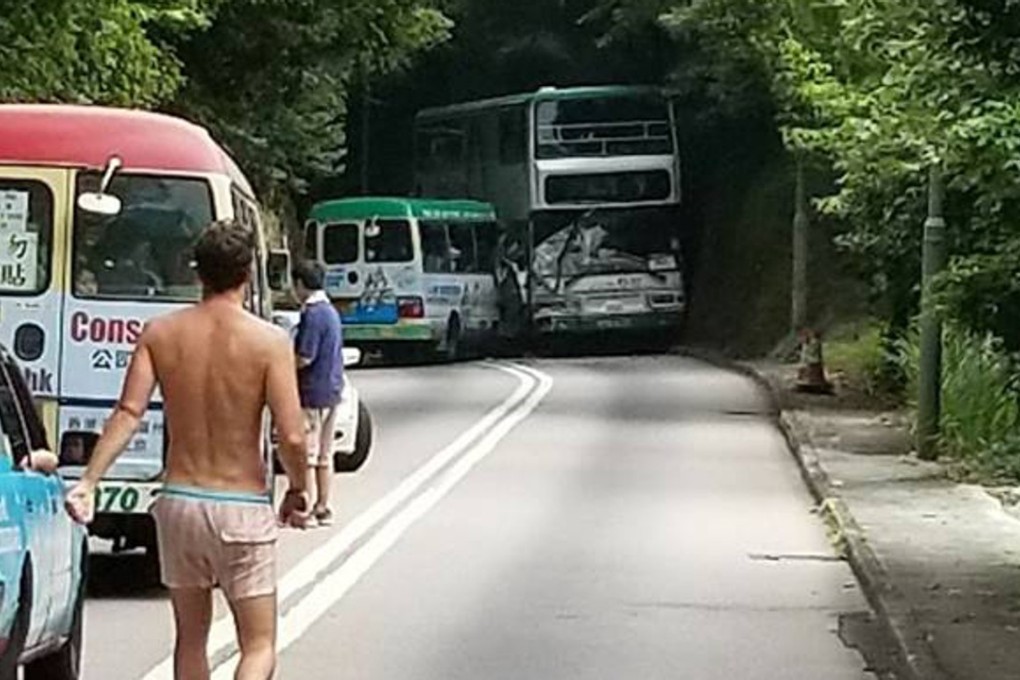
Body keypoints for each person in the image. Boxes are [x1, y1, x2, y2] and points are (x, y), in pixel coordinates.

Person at [65, 220, 309, 680]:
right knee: (257, 645)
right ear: (248, 271)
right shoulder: (270, 342)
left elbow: (128, 411)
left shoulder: (161, 333)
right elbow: (292, 436)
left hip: (179, 503)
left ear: (197, 272)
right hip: (241, 505)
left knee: (190, 640)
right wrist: (299, 488)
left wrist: (89, 482)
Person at [291, 259, 344, 528]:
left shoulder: (312, 314)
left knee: (308, 457)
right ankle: (323, 506)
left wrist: (283, 366)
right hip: (333, 390)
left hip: (312, 392)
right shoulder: (331, 312)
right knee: (326, 454)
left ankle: (308, 509)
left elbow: (305, 357)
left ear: (300, 284)